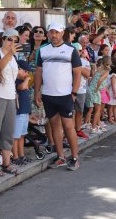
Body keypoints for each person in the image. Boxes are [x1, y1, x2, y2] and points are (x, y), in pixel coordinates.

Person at [34, 23, 82, 171]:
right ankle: (60, 157)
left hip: (65, 95)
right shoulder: (43, 50)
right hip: (48, 95)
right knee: (55, 126)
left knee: (68, 127)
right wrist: (37, 92)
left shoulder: (71, 50)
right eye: (51, 32)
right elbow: (38, 72)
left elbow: (78, 73)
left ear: (62, 33)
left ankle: (74, 158)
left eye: (56, 32)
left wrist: (73, 93)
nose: (53, 35)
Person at [0, 28, 21, 178]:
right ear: (2, 39)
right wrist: (9, 53)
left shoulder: (13, 56)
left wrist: (15, 95)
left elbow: (12, 78)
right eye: (9, 39)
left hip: (10, 97)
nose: (12, 42)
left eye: (15, 40)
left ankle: (6, 163)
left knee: (8, 131)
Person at [12, 60, 32, 165]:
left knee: (22, 135)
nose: (27, 74)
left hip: (25, 112)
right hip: (18, 113)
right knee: (16, 136)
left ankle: (21, 155)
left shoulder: (23, 81)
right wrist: (27, 80)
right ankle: (15, 156)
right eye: (26, 71)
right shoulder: (16, 80)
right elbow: (22, 87)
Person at [71, 43, 90, 139]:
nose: (76, 52)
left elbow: (87, 74)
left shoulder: (84, 61)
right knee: (70, 112)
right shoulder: (67, 61)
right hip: (68, 90)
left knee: (79, 111)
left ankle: (78, 130)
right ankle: (70, 132)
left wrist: (77, 66)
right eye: (74, 50)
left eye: (78, 51)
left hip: (81, 90)